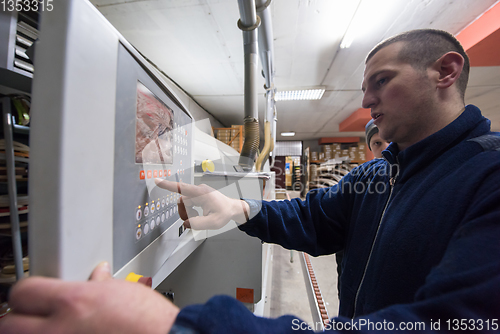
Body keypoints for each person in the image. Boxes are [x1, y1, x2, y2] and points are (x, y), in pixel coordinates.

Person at [1, 28, 500, 333]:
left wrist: (170, 324)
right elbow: (314, 216)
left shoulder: (488, 176)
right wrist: (240, 209)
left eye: (381, 82)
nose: (366, 103)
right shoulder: (380, 173)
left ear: (445, 71)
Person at [335, 119, 390, 297]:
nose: (386, 148)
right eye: (377, 143)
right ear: (370, 147)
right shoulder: (360, 180)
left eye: (390, 141)